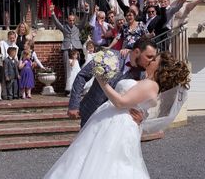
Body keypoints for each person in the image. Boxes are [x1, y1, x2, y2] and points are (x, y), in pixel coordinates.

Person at [44, 51, 190, 179]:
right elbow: (140, 105)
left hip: (117, 124)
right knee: (94, 158)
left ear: (159, 68)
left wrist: (102, 81)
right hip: (110, 119)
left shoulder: (151, 85)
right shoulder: (146, 81)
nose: (150, 61)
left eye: (154, 60)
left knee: (106, 162)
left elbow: (121, 102)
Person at [68, 37, 157, 127]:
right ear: (137, 52)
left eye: (153, 58)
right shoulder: (109, 55)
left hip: (115, 122)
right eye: (149, 57)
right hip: (91, 110)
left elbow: (138, 103)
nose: (151, 61)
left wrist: (141, 117)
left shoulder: (141, 75)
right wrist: (74, 104)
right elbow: (82, 76)